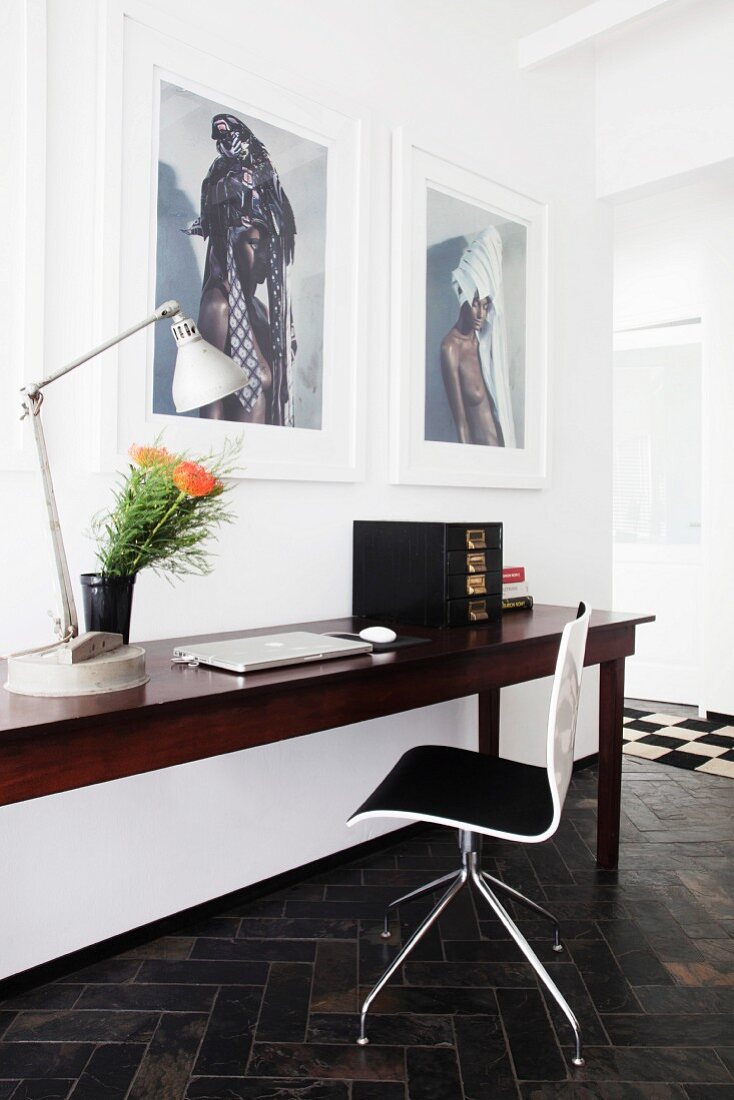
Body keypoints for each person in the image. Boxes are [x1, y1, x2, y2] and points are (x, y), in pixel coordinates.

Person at [183, 113, 296, 425]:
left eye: (266, 246)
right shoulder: (218, 308)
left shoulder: (257, 310)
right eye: (253, 244)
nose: (264, 258)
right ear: (228, 242)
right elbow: (211, 415)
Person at [440, 226, 516, 447]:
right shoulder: (451, 348)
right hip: (484, 461)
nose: (482, 314)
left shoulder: (485, 341)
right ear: (462, 295)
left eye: (486, 305)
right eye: (475, 304)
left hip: (506, 453)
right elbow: (461, 424)